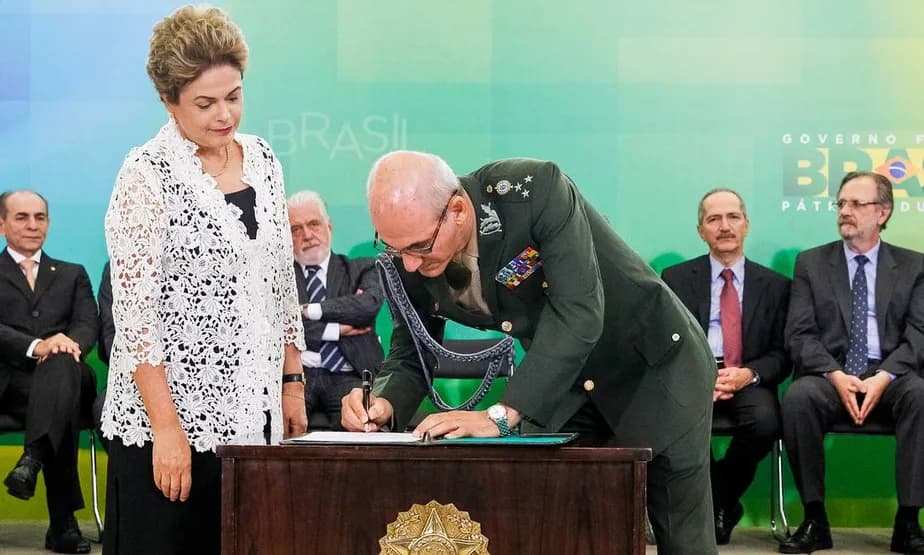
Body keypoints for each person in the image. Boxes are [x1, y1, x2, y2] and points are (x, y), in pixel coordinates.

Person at [342, 151, 718, 554]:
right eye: (395, 248)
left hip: (653, 365)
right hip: (566, 381)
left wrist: (500, 416)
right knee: (551, 521)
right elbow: (412, 349)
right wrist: (383, 401)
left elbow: (578, 313)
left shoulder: (533, 191)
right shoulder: (407, 250)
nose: (410, 265)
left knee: (681, 533)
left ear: (458, 210)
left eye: (420, 247)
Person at [102, 6, 306, 554]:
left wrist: (292, 382)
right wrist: (168, 431)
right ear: (169, 102)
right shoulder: (145, 175)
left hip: (254, 417)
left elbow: (280, 285)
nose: (225, 115)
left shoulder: (262, 158)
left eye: (234, 95)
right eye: (205, 103)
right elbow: (137, 321)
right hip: (169, 425)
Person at [780, 171, 924, 554]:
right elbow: (799, 334)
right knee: (798, 397)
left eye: (857, 204)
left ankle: (908, 521)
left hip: (892, 374)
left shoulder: (914, 266)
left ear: (883, 212)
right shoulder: (811, 263)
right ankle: (814, 519)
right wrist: (836, 374)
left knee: (921, 394)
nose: (845, 211)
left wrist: (885, 376)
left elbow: (919, 335)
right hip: (831, 374)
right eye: (841, 203)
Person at [661, 188, 790, 545]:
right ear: (701, 230)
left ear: (746, 224)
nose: (725, 226)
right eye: (713, 219)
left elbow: (783, 352)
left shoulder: (777, 286)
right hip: (693, 378)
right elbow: (665, 343)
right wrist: (701, 376)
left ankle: (718, 500)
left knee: (766, 422)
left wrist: (749, 374)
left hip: (748, 381)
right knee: (667, 421)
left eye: (733, 217)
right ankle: (721, 506)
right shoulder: (675, 279)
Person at [0, 190, 98, 554]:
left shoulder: (72, 274)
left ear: (49, 223)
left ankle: (32, 459)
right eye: (22, 217)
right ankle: (63, 525)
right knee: (62, 405)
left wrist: (65, 346)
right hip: (10, 386)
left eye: (40, 217)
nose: (32, 225)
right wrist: (36, 346)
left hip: (70, 375)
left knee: (62, 373)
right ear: (2, 224)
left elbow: (88, 323)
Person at [287, 190, 384, 429]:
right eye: (295, 229)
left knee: (360, 425)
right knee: (281, 431)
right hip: (298, 377)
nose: (307, 235)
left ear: (329, 227)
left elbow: (367, 307)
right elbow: (279, 326)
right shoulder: (280, 279)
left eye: (313, 224)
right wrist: (338, 328)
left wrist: (307, 311)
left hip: (349, 373)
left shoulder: (361, 268)